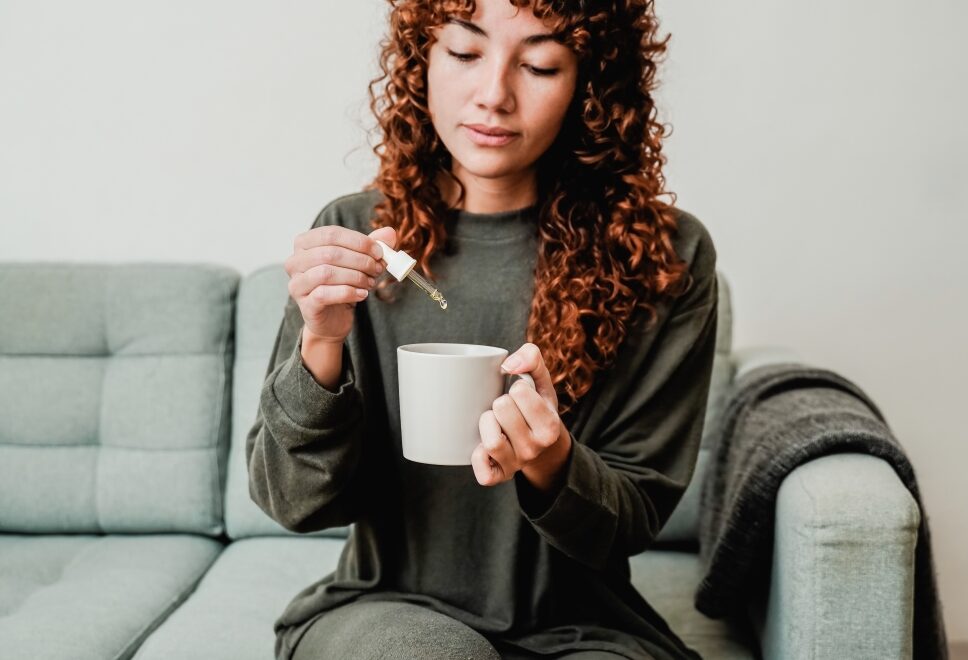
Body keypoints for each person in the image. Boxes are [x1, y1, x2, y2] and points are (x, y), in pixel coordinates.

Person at [246, 0, 719, 658]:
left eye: (540, 64)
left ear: (590, 83)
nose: (493, 95)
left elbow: (631, 520)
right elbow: (291, 501)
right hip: (387, 614)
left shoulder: (661, 257)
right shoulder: (360, 235)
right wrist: (321, 345)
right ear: (423, 61)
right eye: (466, 54)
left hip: (584, 629)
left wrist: (552, 461)